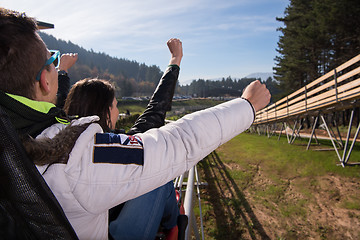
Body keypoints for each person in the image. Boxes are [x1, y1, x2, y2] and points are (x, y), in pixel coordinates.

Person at [0, 8, 271, 240]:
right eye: (52, 60)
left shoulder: (13, 138)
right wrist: (246, 106)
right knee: (160, 179)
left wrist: (62, 72)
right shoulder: (77, 154)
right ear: (45, 81)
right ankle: (173, 225)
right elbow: (176, 143)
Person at [62, 38, 183, 239]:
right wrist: (175, 60)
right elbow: (156, 109)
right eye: (116, 105)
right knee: (158, 175)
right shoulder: (117, 147)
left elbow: (59, 99)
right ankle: (174, 224)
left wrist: (62, 71)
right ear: (106, 113)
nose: (118, 111)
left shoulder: (60, 135)